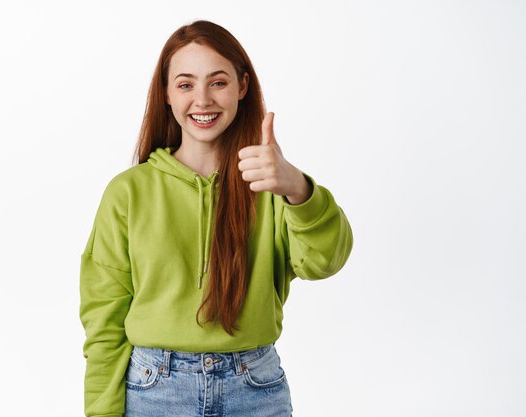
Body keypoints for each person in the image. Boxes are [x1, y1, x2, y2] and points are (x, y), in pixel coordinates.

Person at [79, 19, 353, 417]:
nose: (203, 100)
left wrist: (296, 187)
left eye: (218, 82)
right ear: (167, 94)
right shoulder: (128, 192)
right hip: (155, 392)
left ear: (242, 87)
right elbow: (103, 320)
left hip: (255, 388)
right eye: (186, 84)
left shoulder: (272, 185)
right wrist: (101, 411)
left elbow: (325, 262)